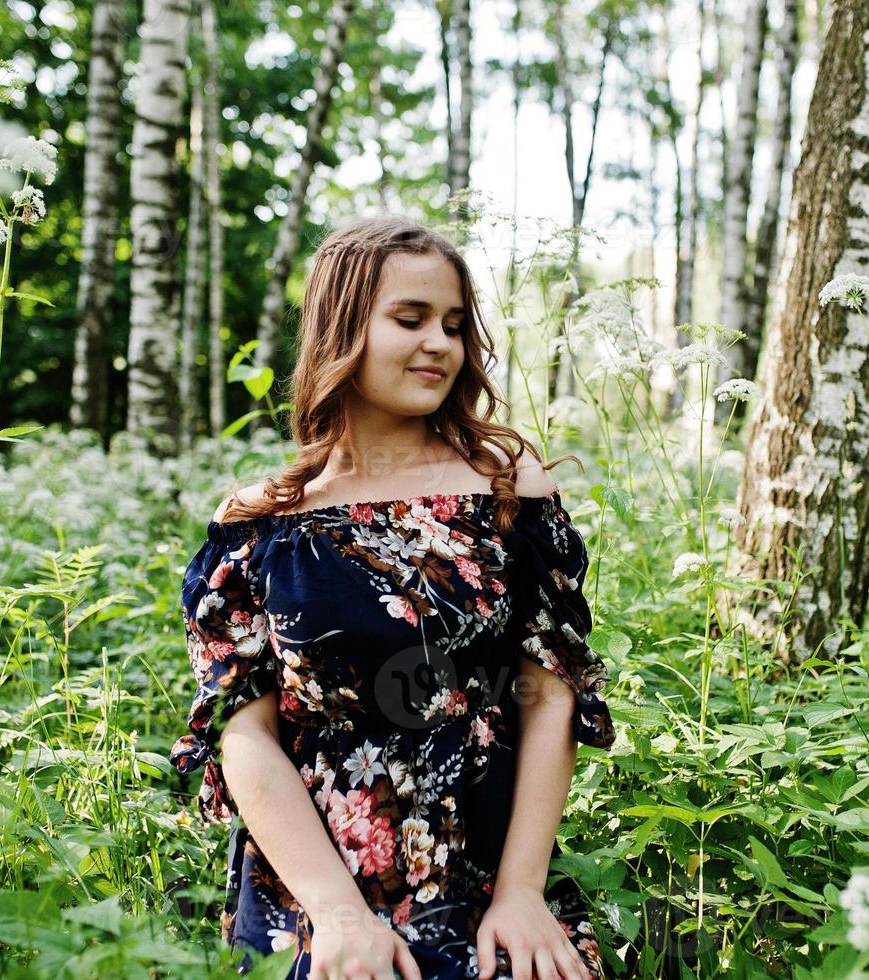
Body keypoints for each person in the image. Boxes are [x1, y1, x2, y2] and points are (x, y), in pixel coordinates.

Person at [169, 215, 616, 980]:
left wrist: (520, 892)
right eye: (409, 320)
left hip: (486, 874)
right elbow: (244, 734)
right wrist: (336, 914)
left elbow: (549, 696)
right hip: (315, 880)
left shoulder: (509, 490)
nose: (440, 344)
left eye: (452, 324)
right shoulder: (259, 522)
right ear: (342, 329)